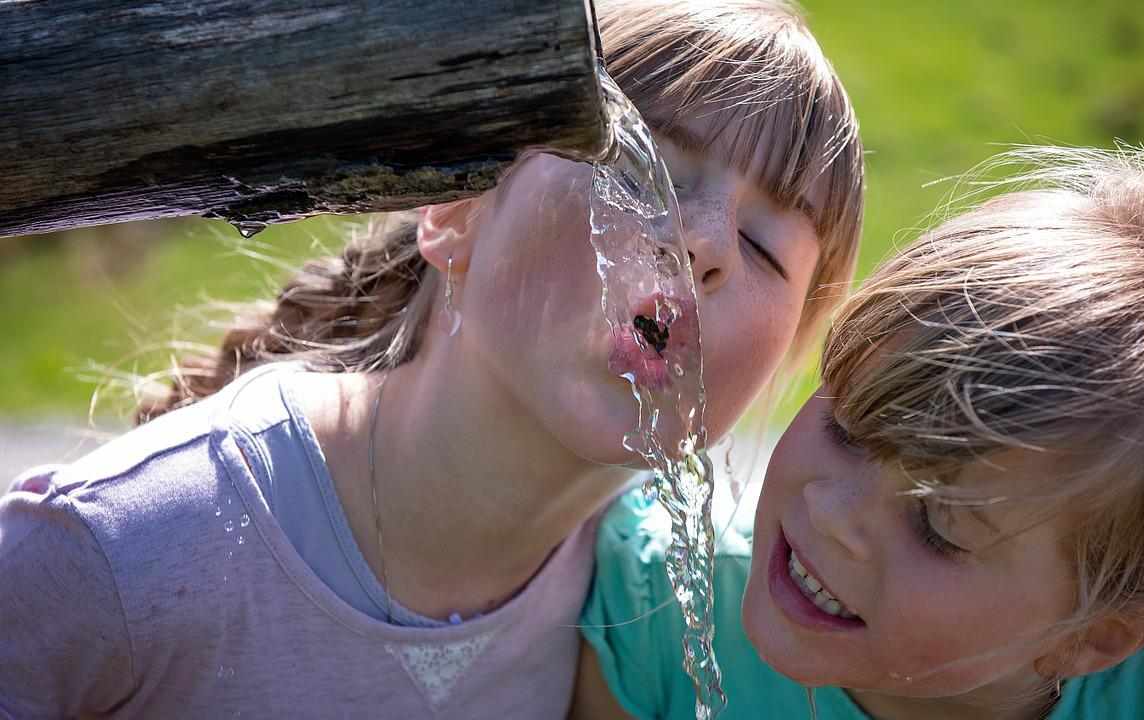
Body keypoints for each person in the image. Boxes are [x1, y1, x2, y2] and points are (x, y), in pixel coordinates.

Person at [0, 2, 864, 718]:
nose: (703, 243)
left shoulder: (651, 616)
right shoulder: (124, 550)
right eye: (644, 175)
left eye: (762, 246)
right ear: (455, 212)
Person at [575, 146, 1144, 719]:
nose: (833, 512)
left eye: (938, 527)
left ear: (1093, 637)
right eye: (849, 428)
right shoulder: (659, 613)